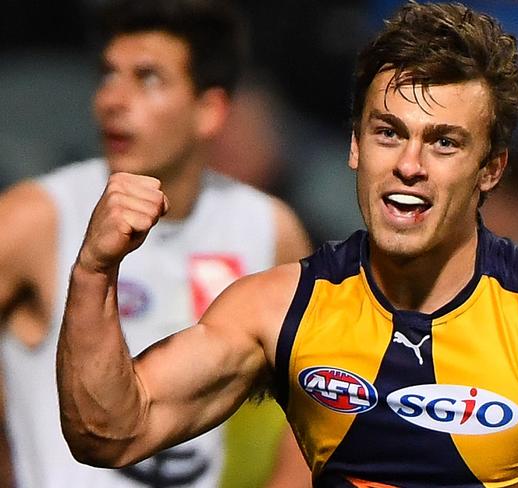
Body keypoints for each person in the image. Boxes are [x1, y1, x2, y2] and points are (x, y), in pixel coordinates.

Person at [56, 1, 518, 486]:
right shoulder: (278, 311)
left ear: (491, 169)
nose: (409, 165)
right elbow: (109, 433)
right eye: (388, 133)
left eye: (444, 143)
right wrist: (93, 272)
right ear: (356, 148)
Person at [0, 0, 312, 487]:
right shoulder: (36, 217)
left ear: (209, 111)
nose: (112, 100)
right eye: (108, 75)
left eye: (147, 78)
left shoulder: (268, 228)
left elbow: (320, 398)